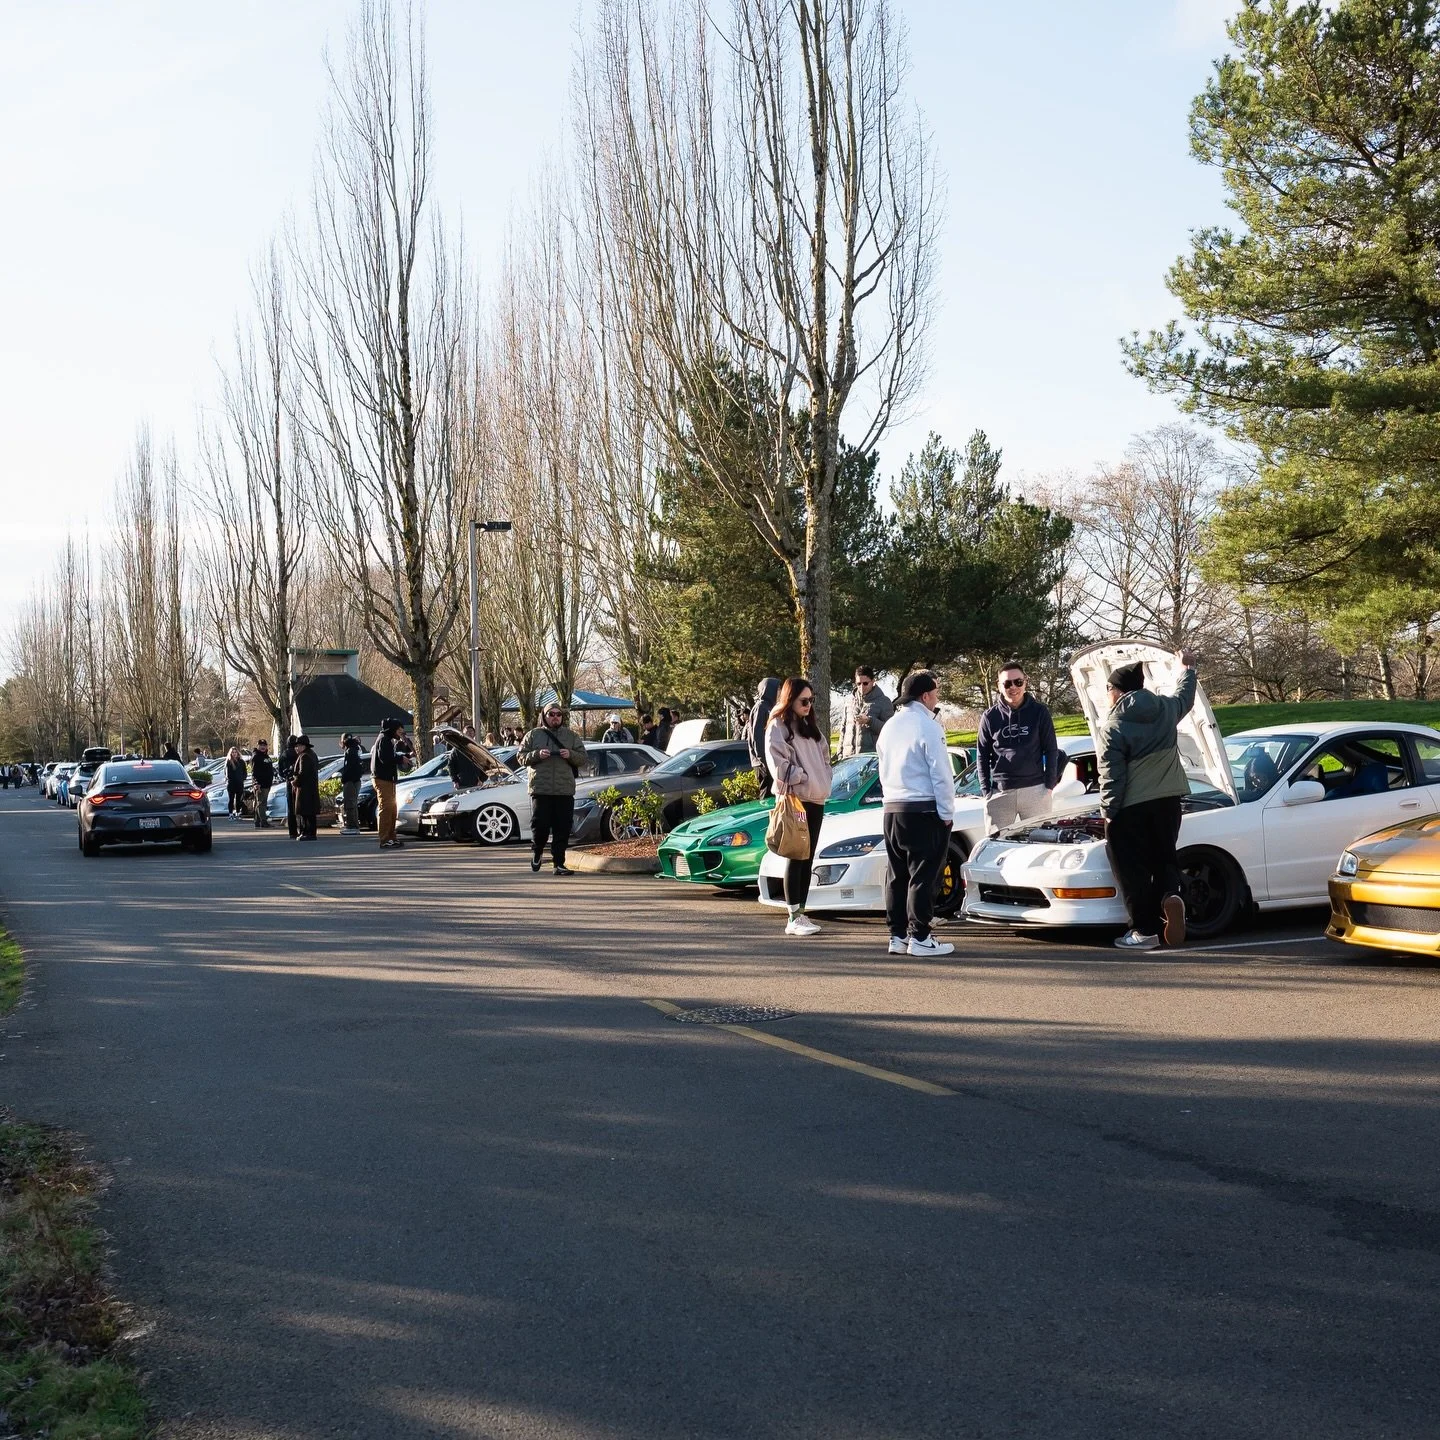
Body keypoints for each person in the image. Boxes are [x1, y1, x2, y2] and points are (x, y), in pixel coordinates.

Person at [1099, 651, 1198, 951]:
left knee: (1131, 869)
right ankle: (1171, 895)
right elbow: (1185, 697)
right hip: (1169, 801)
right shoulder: (1166, 709)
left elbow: (1111, 775)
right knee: (1165, 857)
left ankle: (1144, 931)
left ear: (1116, 691)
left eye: (1107, 689)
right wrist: (1187, 669)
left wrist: (1108, 813)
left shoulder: (1113, 727)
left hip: (1132, 807)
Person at [875, 671, 956, 957]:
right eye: (935, 693)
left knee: (897, 875)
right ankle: (920, 935)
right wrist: (947, 811)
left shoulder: (889, 726)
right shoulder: (928, 726)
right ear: (925, 696)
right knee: (924, 874)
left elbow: (882, 768)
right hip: (922, 807)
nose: (937, 698)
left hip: (892, 807)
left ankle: (897, 935)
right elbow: (941, 773)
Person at [764, 677, 834, 937]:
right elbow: (776, 762)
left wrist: (824, 778)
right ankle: (793, 916)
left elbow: (826, 754)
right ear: (790, 699)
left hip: (816, 798)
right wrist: (801, 777)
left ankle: (801, 913)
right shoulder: (778, 725)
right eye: (803, 700)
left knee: (809, 855)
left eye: (811, 701)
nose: (808, 705)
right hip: (796, 798)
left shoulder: (809, 724)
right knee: (797, 854)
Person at [977, 661, 1062, 835]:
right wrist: (986, 790)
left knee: (1041, 846)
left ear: (1026, 682)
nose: (1013, 687)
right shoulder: (989, 717)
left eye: (1018, 682)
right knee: (997, 848)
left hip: (1036, 791)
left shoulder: (1040, 712)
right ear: (999, 686)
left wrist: (1049, 785)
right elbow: (982, 756)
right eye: (1007, 683)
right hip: (1000, 793)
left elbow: (1051, 750)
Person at [518, 702, 587, 875]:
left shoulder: (571, 736)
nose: (555, 717)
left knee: (562, 827)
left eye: (558, 714)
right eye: (551, 714)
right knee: (540, 826)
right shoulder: (533, 735)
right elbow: (520, 757)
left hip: (564, 790)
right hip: (541, 789)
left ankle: (559, 863)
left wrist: (570, 754)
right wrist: (536, 755)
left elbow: (583, 758)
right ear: (544, 716)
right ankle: (538, 851)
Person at [839, 666, 895, 757]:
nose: (861, 687)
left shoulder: (884, 702)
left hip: (871, 759)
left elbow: (891, 730)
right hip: (848, 759)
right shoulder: (849, 702)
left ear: (873, 682)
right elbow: (843, 730)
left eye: (865, 683)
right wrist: (840, 754)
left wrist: (870, 721)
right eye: (858, 684)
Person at [370, 719, 405, 848]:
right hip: (383, 779)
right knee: (386, 808)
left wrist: (402, 756)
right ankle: (385, 839)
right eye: (398, 730)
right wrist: (401, 758)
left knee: (391, 808)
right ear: (392, 729)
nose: (400, 733)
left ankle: (391, 836)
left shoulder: (385, 739)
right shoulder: (384, 740)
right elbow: (385, 758)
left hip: (386, 778)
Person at [747, 677, 781, 798]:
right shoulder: (761, 707)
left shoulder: (769, 707)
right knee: (767, 795)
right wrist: (764, 761)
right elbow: (758, 737)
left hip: (768, 760)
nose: (780, 693)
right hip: (763, 762)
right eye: (778, 690)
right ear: (769, 690)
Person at [292, 734, 320, 841]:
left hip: (305, 790)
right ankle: (309, 832)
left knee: (305, 813)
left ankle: (307, 833)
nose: (296, 748)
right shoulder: (312, 755)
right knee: (309, 813)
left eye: (298, 745)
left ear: (303, 746)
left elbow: (302, 774)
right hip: (310, 789)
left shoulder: (305, 757)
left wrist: (295, 782)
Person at [339, 734, 365, 834]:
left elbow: (349, 769)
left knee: (350, 804)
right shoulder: (355, 750)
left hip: (351, 781)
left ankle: (352, 826)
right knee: (352, 803)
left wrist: (344, 779)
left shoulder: (350, 752)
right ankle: (353, 825)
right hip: (356, 780)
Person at [251, 740, 275, 828]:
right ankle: (263, 821)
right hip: (260, 784)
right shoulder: (256, 757)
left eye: (264, 745)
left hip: (267, 784)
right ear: (258, 746)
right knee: (261, 803)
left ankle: (257, 821)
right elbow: (254, 772)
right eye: (261, 745)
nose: (263, 747)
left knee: (261, 803)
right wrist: (256, 783)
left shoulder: (266, 756)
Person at [280, 735, 299, 839]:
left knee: (291, 808)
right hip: (298, 782)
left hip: (289, 781)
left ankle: (292, 831)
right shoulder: (298, 754)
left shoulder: (284, 754)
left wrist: (286, 776)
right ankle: (302, 828)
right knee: (299, 806)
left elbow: (280, 770)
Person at [224, 746, 247, 819]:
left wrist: (242, 778)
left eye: (235, 752)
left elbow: (244, 772)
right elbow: (227, 773)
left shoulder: (241, 762)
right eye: (233, 753)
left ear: (237, 753)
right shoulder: (229, 762)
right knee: (231, 799)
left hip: (239, 783)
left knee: (239, 799)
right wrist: (229, 779)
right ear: (230, 754)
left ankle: (237, 812)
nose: (234, 754)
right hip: (231, 783)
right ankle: (230, 813)